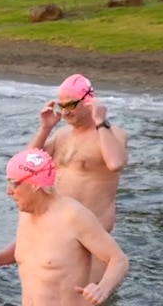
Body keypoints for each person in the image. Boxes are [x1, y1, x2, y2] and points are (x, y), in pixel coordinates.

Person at [0, 148, 129, 306]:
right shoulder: (25, 211)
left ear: (35, 183)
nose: (9, 191)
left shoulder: (74, 216)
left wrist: (102, 288)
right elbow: (31, 246)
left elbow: (118, 259)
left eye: (14, 183)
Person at [28, 74, 129, 281]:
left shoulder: (112, 133)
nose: (64, 112)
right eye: (60, 106)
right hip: (58, 233)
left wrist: (101, 122)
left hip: (91, 239)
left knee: (91, 305)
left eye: (70, 105)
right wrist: (45, 128)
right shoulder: (62, 135)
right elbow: (28, 164)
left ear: (88, 101)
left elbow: (116, 163)